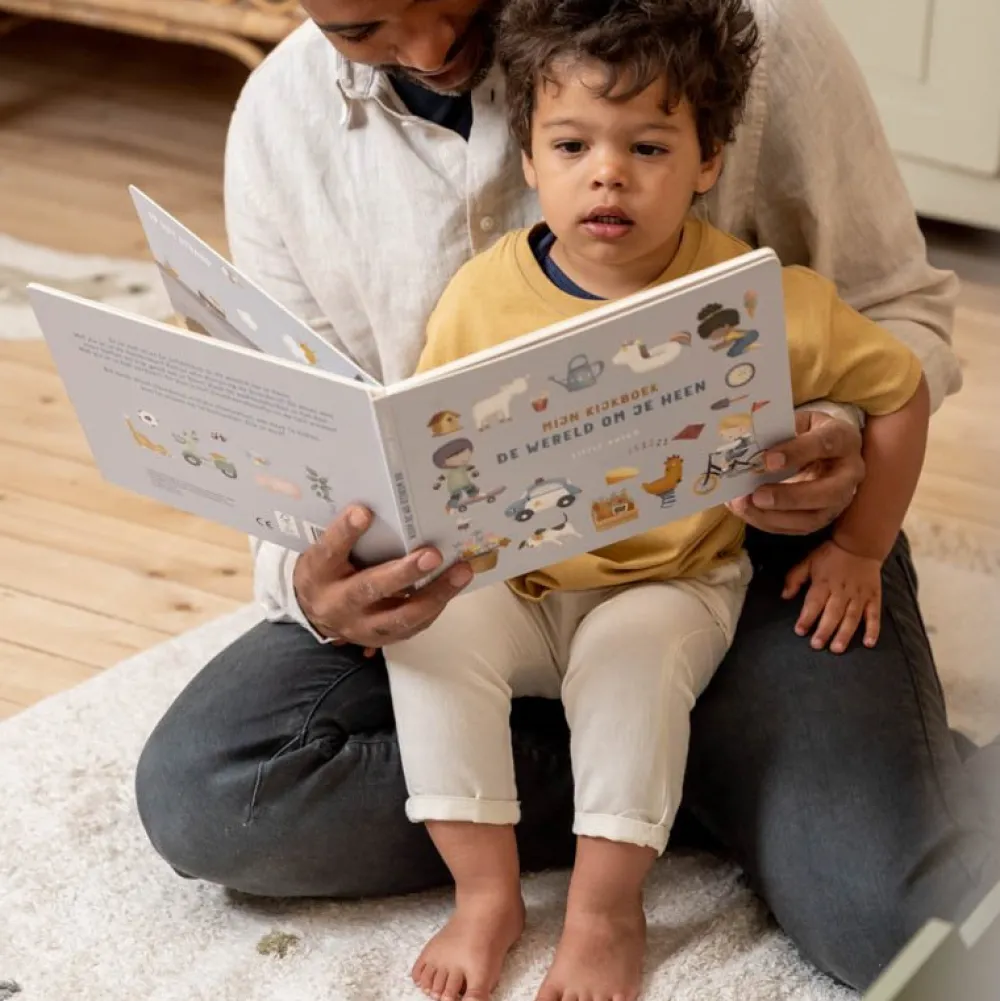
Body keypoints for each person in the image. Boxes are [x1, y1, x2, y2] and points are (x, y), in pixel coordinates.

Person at [133, 0, 997, 992]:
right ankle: (662, 780)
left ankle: (675, 790)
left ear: (703, 154)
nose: (429, 51)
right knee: (210, 793)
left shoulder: (758, 37)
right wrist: (311, 579)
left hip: (731, 552)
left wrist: (844, 473)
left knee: (898, 924)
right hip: (488, 573)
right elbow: (304, 432)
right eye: (361, 28)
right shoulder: (282, 123)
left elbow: (895, 331)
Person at [381, 3, 931, 998]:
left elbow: (898, 389)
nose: (608, 174)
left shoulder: (754, 298)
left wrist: (861, 544)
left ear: (706, 159)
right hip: (514, 578)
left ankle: (604, 910)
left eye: (647, 147)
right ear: (530, 158)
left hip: (669, 582)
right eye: (572, 146)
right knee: (426, 639)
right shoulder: (478, 294)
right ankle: (485, 892)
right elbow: (428, 445)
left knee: (630, 669)